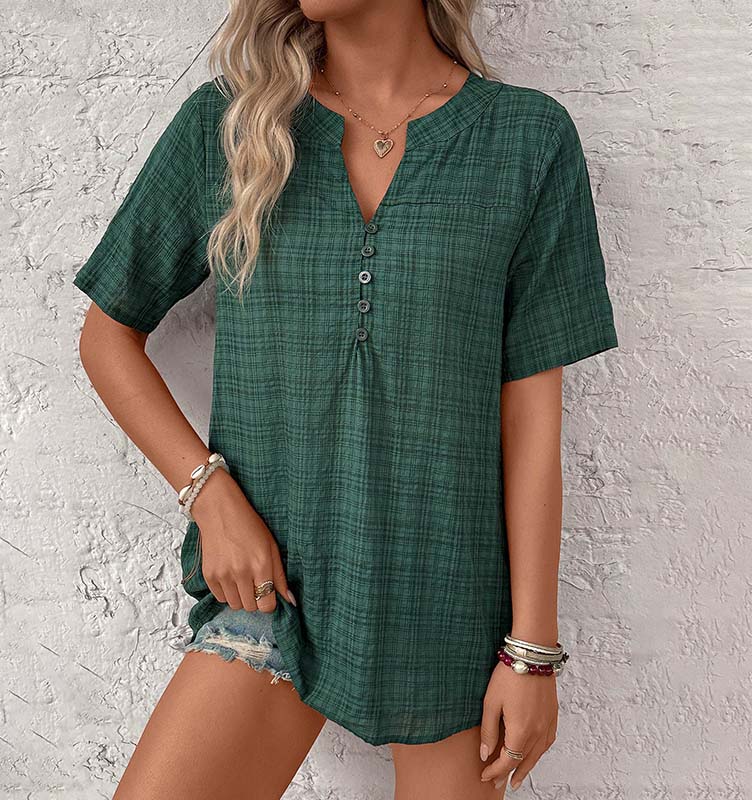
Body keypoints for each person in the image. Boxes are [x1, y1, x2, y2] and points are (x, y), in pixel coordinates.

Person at [73, 2, 620, 798]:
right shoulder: (231, 126)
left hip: (448, 610)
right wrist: (208, 495)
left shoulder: (526, 141)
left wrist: (531, 652)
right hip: (273, 597)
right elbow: (106, 336)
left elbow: (530, 419)